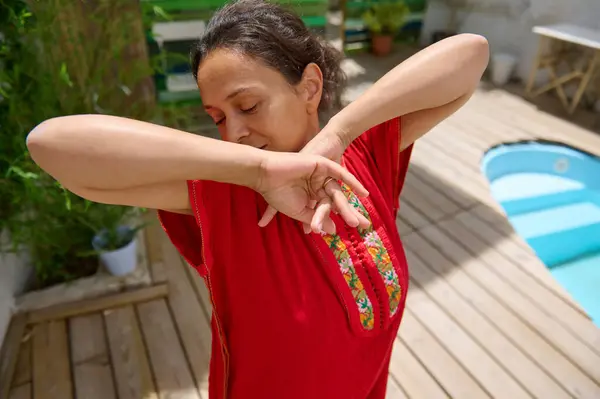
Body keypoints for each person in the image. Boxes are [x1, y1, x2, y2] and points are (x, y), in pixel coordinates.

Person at [26, 0, 489, 397]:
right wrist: (260, 169)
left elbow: (470, 54)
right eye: (218, 118)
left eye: (246, 106)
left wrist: (340, 132)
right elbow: (51, 144)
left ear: (309, 87)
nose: (235, 132)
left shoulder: (364, 157)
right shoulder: (224, 194)